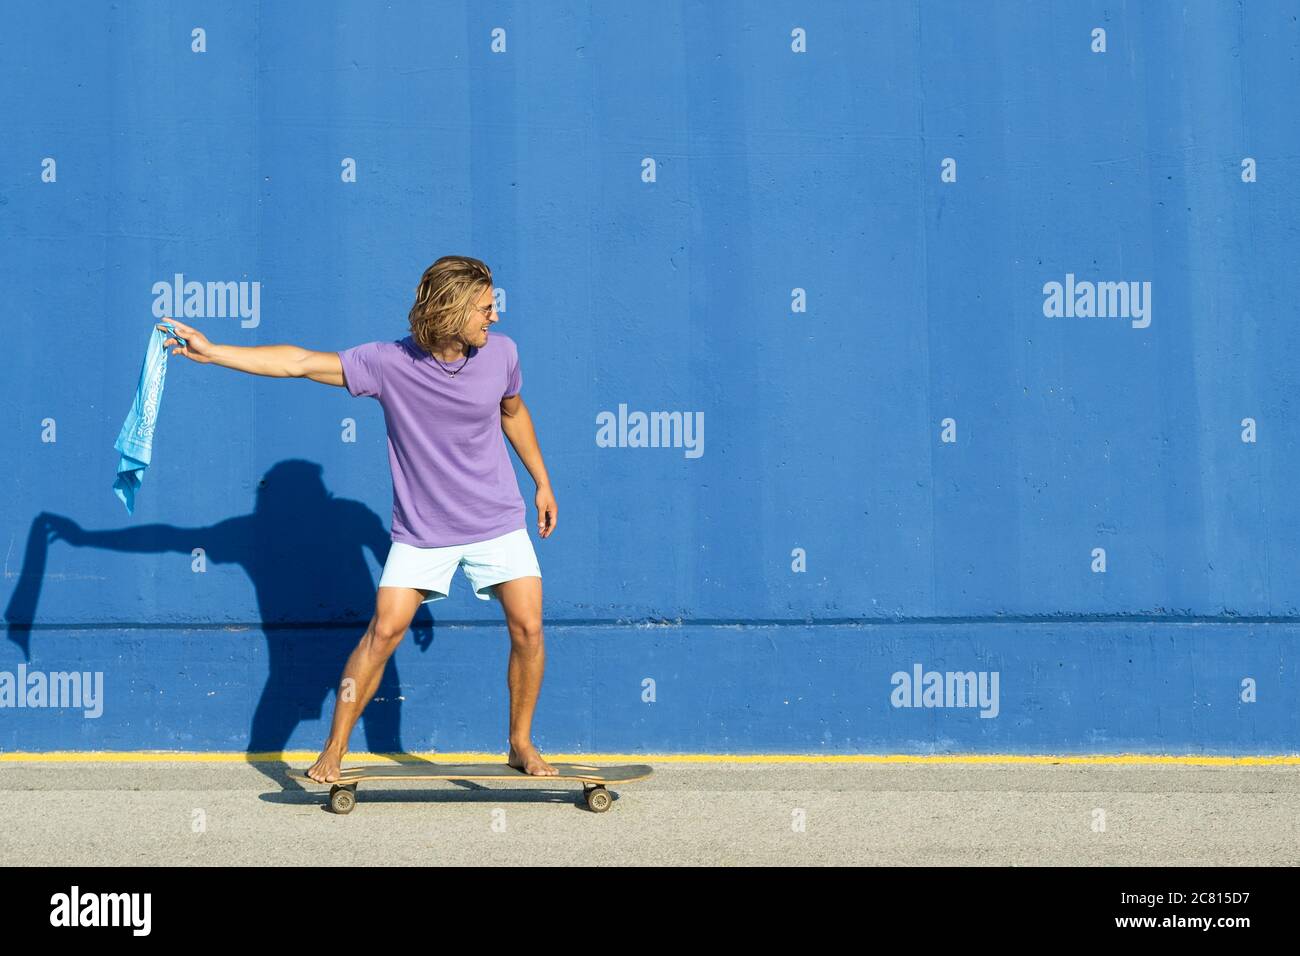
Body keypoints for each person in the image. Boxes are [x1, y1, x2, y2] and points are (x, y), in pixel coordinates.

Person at [157, 255, 558, 782]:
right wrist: (215, 352)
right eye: (486, 307)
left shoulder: (501, 353)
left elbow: (513, 411)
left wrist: (541, 481)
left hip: (497, 519)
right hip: (425, 530)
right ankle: (335, 749)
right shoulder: (388, 363)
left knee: (528, 629)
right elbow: (298, 362)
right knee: (384, 631)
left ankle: (520, 742)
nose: (495, 317)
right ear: (452, 308)